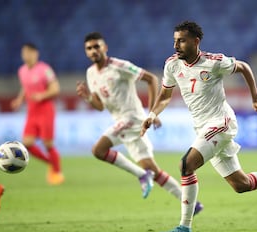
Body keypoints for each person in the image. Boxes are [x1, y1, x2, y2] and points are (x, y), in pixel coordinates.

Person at [141, 21, 257, 232]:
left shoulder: (214, 63)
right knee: (241, 185)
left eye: (182, 40)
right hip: (202, 127)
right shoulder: (172, 65)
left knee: (186, 165)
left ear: (196, 42)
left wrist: (255, 97)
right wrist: (151, 114)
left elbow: (244, 67)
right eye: (175, 40)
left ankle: (184, 228)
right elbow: (165, 96)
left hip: (221, 122)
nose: (176, 45)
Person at [76, 32, 203, 213]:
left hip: (132, 119)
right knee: (154, 170)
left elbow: (151, 79)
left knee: (98, 150)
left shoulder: (119, 66)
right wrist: (88, 97)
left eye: (97, 46)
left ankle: (141, 176)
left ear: (105, 48)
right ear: (86, 52)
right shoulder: (91, 74)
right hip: (122, 124)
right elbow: (100, 106)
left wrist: (152, 112)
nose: (93, 50)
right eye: (89, 48)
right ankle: (192, 204)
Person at [11, 43, 64, 185]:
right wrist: (19, 100)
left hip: (45, 110)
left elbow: (56, 88)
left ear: (35, 53)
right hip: (32, 111)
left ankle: (57, 173)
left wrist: (41, 95)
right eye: (24, 53)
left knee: (48, 144)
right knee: (27, 143)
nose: (26, 55)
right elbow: (25, 87)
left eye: (28, 52)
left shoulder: (44, 69)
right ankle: (51, 163)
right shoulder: (22, 70)